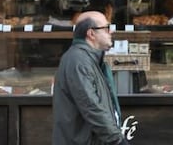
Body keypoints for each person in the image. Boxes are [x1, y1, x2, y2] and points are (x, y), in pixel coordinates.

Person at [52, 11, 129, 145]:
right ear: (91, 34)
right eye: (106, 28)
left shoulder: (90, 59)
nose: (110, 32)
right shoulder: (78, 61)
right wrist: (117, 140)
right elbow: (91, 106)